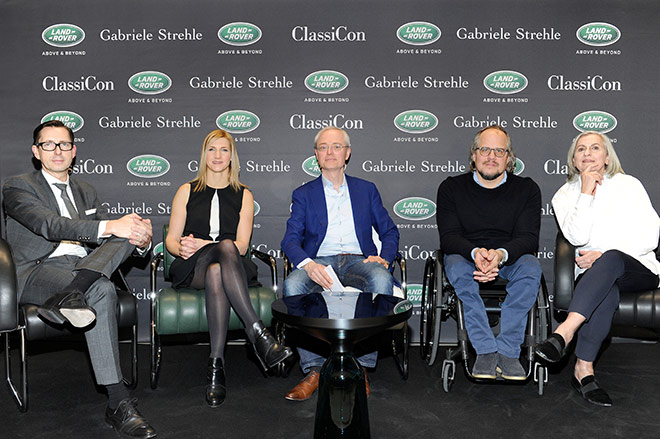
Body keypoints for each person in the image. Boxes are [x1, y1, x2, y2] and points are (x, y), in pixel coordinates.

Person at [2, 120, 156, 438]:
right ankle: (118, 401)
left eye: (64, 145)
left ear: (74, 152)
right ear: (36, 151)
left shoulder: (86, 191)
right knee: (102, 279)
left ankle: (74, 291)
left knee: (128, 228)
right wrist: (114, 227)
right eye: (49, 144)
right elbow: (50, 225)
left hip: (82, 267)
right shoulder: (17, 186)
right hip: (37, 271)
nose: (57, 151)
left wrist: (140, 238)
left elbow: (106, 237)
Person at [166, 129, 292, 407]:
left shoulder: (244, 194)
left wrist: (203, 244)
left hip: (232, 264)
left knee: (221, 260)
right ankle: (259, 335)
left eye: (224, 150)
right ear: (204, 154)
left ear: (232, 156)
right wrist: (184, 247)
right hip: (192, 267)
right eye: (212, 149)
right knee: (218, 253)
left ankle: (216, 367)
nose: (217, 156)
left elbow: (243, 246)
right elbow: (171, 241)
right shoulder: (186, 190)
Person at [535, 131, 660, 406]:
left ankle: (564, 333)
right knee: (607, 290)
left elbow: (650, 236)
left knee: (612, 258)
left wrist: (604, 253)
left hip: (638, 269)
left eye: (595, 148)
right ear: (574, 159)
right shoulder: (565, 195)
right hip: (596, 279)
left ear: (606, 157)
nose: (588, 153)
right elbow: (577, 238)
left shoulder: (629, 185)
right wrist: (585, 193)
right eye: (581, 149)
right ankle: (584, 369)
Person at [281, 126, 399, 401]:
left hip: (361, 260)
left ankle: (362, 368)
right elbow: (290, 240)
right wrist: (308, 265)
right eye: (323, 147)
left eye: (336, 146)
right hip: (320, 261)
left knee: (381, 280)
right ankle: (314, 370)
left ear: (347, 153)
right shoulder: (303, 194)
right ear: (316, 155)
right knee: (293, 285)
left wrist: (385, 257)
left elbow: (390, 232)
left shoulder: (366, 189)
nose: (330, 152)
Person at [436, 125, 542, 381]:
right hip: (466, 255)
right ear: (473, 154)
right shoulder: (451, 188)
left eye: (499, 151)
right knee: (458, 269)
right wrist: (476, 253)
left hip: (510, 257)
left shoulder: (527, 189)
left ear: (509, 158)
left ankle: (507, 351)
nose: (491, 156)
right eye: (485, 149)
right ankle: (485, 350)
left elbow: (528, 239)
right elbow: (449, 238)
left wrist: (500, 255)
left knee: (531, 267)